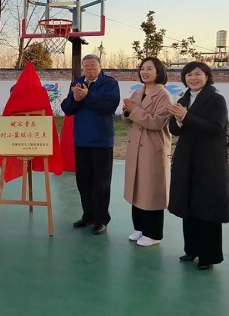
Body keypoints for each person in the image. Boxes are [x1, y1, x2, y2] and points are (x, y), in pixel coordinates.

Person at [168, 61, 229, 270]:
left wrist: (186, 117)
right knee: (188, 204)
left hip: (209, 161)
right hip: (186, 158)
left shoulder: (216, 100)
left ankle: (209, 255)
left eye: (197, 74)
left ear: (207, 76)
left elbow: (216, 128)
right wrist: (179, 120)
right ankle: (192, 249)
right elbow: (174, 129)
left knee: (208, 207)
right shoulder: (183, 99)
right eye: (189, 75)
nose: (193, 78)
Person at [61, 54, 120, 235]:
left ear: (100, 67)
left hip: (102, 140)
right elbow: (67, 108)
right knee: (83, 181)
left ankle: (101, 219)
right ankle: (88, 215)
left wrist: (87, 96)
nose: (89, 69)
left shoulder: (109, 83)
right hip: (81, 140)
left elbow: (109, 106)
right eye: (86, 66)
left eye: (93, 66)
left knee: (101, 182)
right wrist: (76, 99)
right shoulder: (78, 82)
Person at [122, 57, 172, 247]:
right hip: (136, 146)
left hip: (153, 148)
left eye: (149, 68)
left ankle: (154, 233)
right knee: (137, 187)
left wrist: (134, 110)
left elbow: (157, 122)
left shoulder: (163, 95)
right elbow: (127, 119)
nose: (145, 72)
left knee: (151, 191)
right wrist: (127, 111)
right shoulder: (137, 92)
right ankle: (140, 227)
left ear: (158, 72)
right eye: (142, 68)